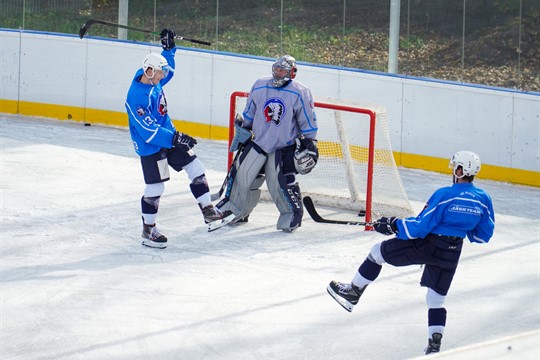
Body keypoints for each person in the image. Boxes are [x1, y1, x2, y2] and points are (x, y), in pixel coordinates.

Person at [327, 151, 495, 355]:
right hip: (452, 252)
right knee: (436, 300)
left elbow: (420, 227)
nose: (453, 171)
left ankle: (353, 292)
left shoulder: (445, 195)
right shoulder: (483, 199)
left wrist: (393, 224)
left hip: (429, 245)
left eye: (455, 167)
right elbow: (483, 235)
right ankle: (434, 345)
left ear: (460, 170)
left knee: (377, 252)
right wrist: (460, 225)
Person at [125, 28, 233, 249]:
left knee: (196, 167)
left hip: (170, 138)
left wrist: (169, 49)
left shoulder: (153, 79)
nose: (164, 76)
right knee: (155, 189)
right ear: (148, 71)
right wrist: (175, 137)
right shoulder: (136, 96)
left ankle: (209, 212)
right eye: (159, 73)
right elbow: (149, 131)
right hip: (151, 147)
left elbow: (169, 70)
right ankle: (148, 230)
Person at [216, 55, 318, 232]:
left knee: (278, 183)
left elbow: (307, 119)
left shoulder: (300, 91)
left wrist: (310, 141)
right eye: (276, 69)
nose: (278, 73)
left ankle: (291, 214)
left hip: (283, 147)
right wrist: (243, 127)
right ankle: (236, 210)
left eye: (283, 70)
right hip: (259, 142)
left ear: (292, 72)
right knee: (243, 175)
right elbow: (250, 111)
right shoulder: (260, 84)